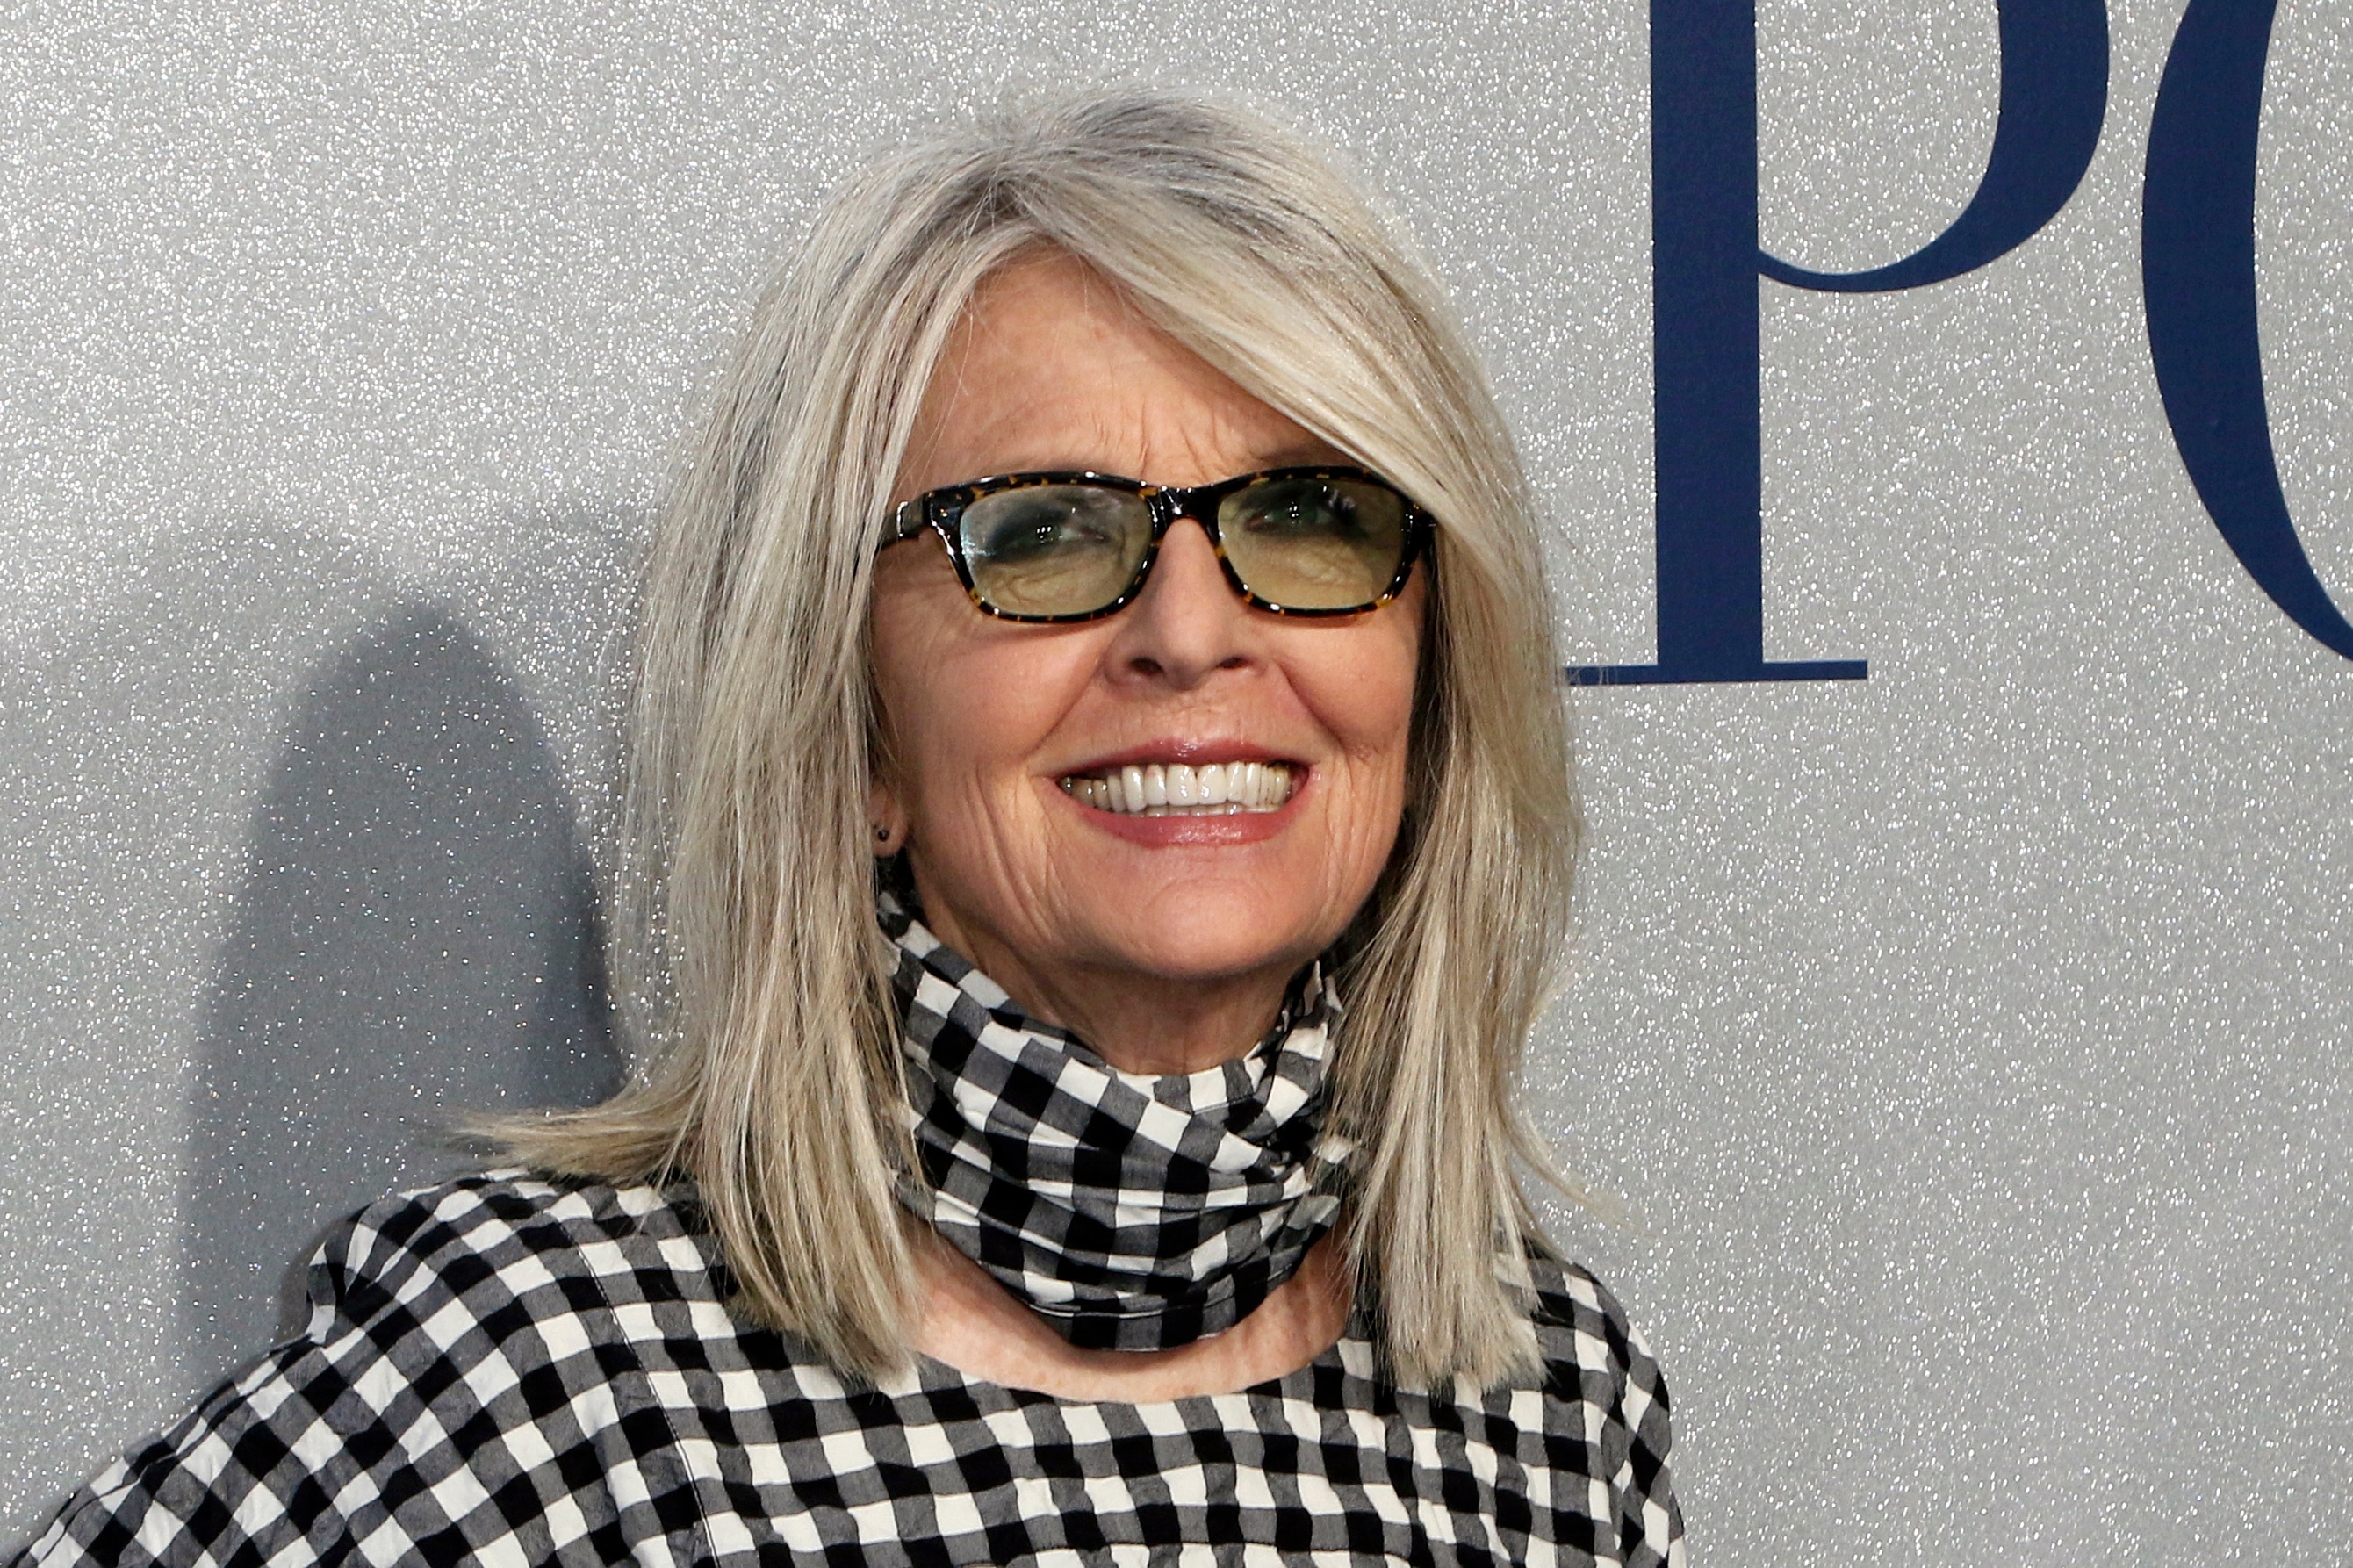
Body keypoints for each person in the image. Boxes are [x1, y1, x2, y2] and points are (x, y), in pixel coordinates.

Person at [15, 90, 1683, 1565]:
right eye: (1041, 534)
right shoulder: (551, 1369)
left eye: (1312, 520)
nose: (1192, 630)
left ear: (1428, 661)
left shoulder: (1543, 1404)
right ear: (853, 715)